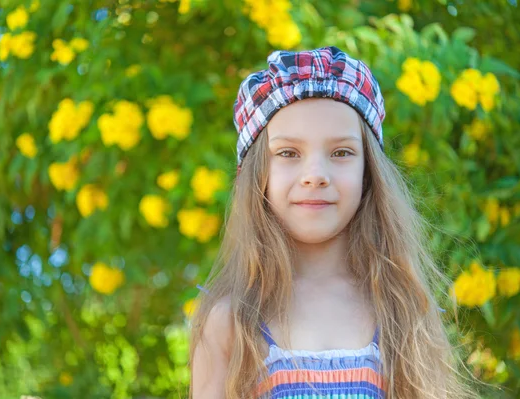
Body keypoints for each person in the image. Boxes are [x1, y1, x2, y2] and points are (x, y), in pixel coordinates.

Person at [188, 46, 480, 398]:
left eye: (341, 152)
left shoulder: (401, 310)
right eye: (288, 153)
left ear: (369, 173)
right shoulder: (230, 322)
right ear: (256, 175)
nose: (315, 175)